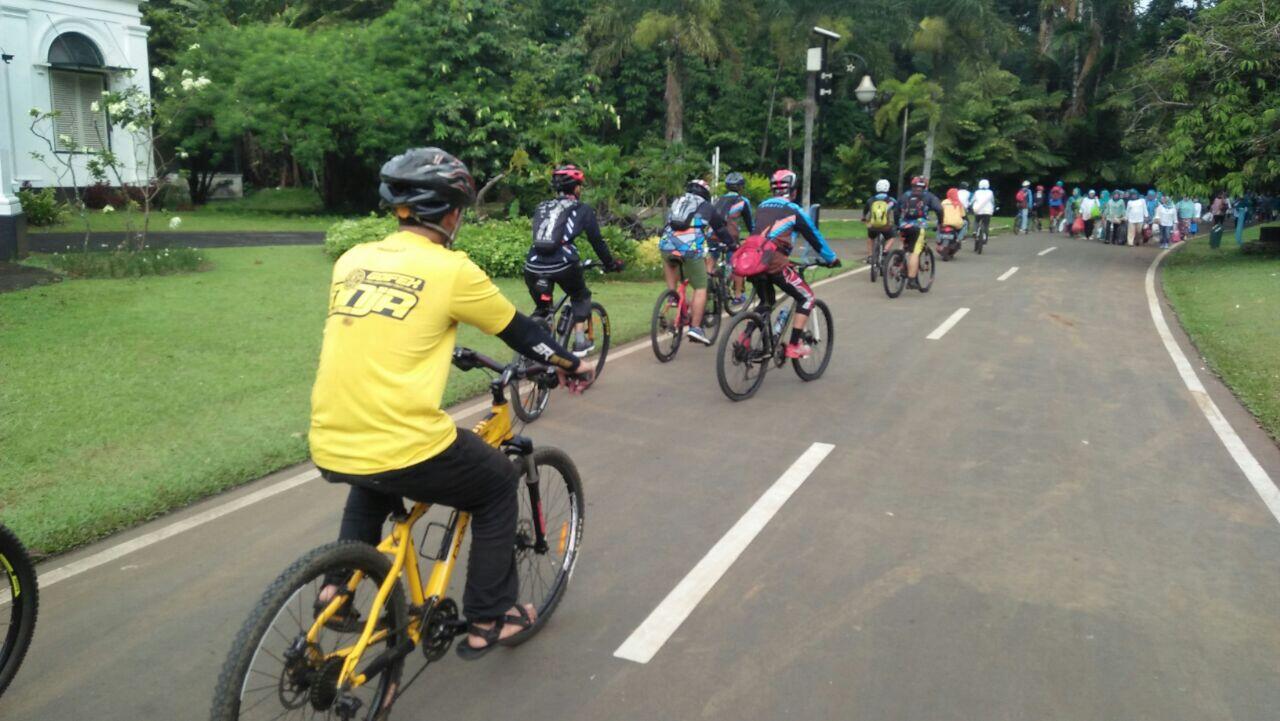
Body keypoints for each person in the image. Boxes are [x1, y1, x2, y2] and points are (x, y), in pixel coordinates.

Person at [310, 147, 596, 660]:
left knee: (372, 480)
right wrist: (573, 363)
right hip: (404, 441)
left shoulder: (352, 260)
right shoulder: (452, 270)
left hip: (330, 436)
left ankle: (336, 589)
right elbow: (523, 332)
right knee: (496, 484)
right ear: (451, 213)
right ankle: (492, 617)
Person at [525, 164, 624, 355]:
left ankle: (537, 349)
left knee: (543, 309)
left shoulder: (542, 206)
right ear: (577, 188)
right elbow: (597, 241)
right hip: (563, 264)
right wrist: (610, 263)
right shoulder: (582, 209)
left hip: (533, 264)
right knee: (581, 296)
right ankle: (580, 343)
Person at [753, 169, 840, 358]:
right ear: (793, 191)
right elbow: (815, 238)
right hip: (774, 263)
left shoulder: (761, 206)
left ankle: (746, 339)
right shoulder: (794, 210)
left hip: (753, 262)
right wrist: (831, 258)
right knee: (806, 297)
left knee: (765, 303)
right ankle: (794, 345)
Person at [661, 179, 735, 346]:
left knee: (670, 261)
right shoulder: (707, 206)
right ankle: (695, 328)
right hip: (690, 247)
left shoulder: (677, 202)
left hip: (666, 244)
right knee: (700, 287)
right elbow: (720, 229)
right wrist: (732, 244)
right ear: (705, 193)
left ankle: (672, 296)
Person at [896, 176, 944, 288]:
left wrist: (897, 224)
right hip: (918, 226)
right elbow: (939, 209)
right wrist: (940, 222)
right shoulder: (929, 196)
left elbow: (896, 210)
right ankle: (911, 280)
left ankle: (897, 259)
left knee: (904, 244)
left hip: (904, 225)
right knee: (915, 252)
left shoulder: (905, 195)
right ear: (925, 186)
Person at [713, 172, 754, 303]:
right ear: (741, 187)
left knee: (711, 262)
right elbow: (750, 224)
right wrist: (754, 236)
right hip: (730, 236)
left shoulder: (718, 200)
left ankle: (710, 286)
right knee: (737, 263)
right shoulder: (743, 201)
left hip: (713, 235)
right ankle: (737, 296)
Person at [861, 179, 897, 261]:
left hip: (873, 226)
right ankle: (885, 251)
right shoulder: (891, 200)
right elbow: (897, 210)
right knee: (891, 237)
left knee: (870, 238)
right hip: (886, 226)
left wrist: (863, 218)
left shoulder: (870, 200)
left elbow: (865, 211)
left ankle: (870, 256)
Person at [939, 188, 966, 260]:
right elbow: (963, 215)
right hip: (956, 224)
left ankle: (938, 239)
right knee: (965, 223)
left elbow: (940, 211)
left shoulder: (944, 202)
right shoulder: (959, 203)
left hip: (944, 223)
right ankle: (959, 239)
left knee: (938, 225)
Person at [970, 179, 996, 243]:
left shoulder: (977, 192)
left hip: (978, 210)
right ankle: (985, 236)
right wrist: (994, 207)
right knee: (986, 224)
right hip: (988, 211)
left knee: (976, 221)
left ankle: (975, 231)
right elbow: (992, 202)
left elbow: (972, 201)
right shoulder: (990, 192)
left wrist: (970, 205)